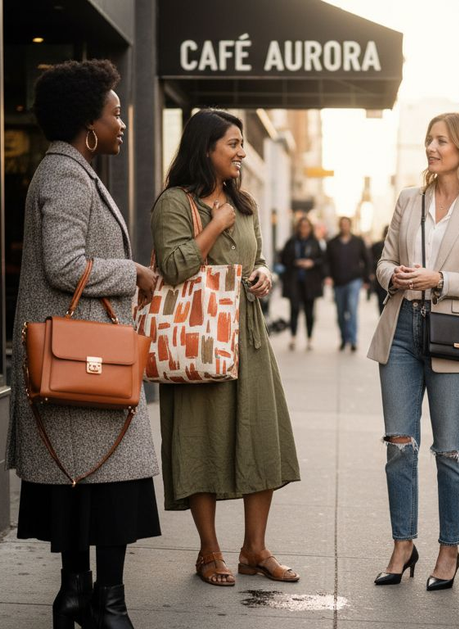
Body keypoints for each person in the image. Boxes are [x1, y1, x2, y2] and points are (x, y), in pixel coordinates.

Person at [7, 59, 160, 629]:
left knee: (84, 486)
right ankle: (107, 602)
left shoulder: (68, 171)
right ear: (87, 123)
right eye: (116, 113)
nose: (123, 123)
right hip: (87, 358)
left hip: (83, 355)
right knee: (111, 480)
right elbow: (63, 264)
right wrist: (134, 275)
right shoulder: (67, 175)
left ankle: (78, 594)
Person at [152, 109, 301, 588]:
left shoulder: (245, 203)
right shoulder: (175, 203)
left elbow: (254, 260)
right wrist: (215, 224)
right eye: (233, 144)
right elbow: (173, 267)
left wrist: (263, 276)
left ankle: (255, 550)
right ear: (206, 148)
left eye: (241, 143)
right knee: (200, 439)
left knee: (262, 439)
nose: (240, 152)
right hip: (198, 338)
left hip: (248, 336)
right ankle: (209, 551)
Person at [367, 111, 459, 591]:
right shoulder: (410, 200)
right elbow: (383, 262)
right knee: (399, 445)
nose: (431, 147)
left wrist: (439, 280)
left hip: (452, 334)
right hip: (402, 328)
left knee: (449, 449)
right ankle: (403, 545)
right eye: (429, 139)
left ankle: (449, 550)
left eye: (441, 140)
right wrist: (397, 277)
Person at [279, 216, 325, 351]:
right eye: (301, 226)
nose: (304, 229)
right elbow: (283, 259)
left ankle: (309, 339)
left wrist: (312, 263)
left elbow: (322, 260)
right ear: (298, 228)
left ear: (310, 228)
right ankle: (293, 337)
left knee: (309, 312)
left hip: (310, 282)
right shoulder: (291, 242)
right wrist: (295, 262)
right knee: (294, 310)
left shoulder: (315, 242)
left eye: (306, 226)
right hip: (294, 282)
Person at [325, 216, 371, 351]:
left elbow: (367, 260)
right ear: (339, 226)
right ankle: (344, 338)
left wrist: (366, 279)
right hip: (338, 281)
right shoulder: (332, 243)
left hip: (354, 280)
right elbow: (326, 261)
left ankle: (353, 340)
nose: (344, 227)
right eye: (342, 224)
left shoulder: (358, 241)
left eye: (346, 224)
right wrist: (328, 276)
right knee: (340, 312)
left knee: (352, 309)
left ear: (350, 226)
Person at [368, 226, 389, 316]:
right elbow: (370, 260)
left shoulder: (377, 245)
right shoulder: (377, 245)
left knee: (381, 300)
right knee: (381, 299)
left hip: (382, 276)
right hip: (380, 276)